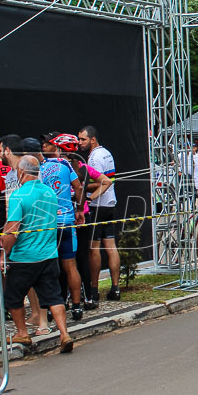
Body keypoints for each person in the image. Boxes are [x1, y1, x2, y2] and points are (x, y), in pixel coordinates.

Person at [0, 155, 74, 353]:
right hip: (49, 255)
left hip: (24, 256)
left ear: (21, 172)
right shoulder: (50, 193)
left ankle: (22, 333)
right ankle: (64, 334)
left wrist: (4, 251)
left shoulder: (18, 196)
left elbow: (12, 230)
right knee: (54, 297)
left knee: (13, 297)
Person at [40, 133, 86, 321]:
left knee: (51, 268)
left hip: (49, 224)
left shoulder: (40, 168)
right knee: (70, 266)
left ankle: (54, 308)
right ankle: (76, 307)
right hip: (67, 221)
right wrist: (80, 210)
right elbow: (79, 187)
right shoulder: (66, 165)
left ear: (56, 148)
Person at [78, 126, 121, 302]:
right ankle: (115, 288)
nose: (80, 143)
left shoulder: (94, 158)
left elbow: (100, 182)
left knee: (93, 248)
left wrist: (80, 187)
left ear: (93, 140)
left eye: (83, 139)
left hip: (98, 205)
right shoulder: (107, 153)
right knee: (110, 246)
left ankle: (94, 289)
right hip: (110, 203)